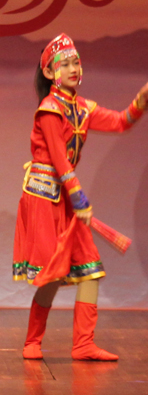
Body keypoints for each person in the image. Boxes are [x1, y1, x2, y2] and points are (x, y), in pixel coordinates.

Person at [13, 33, 148, 361]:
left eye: (76, 62)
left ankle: (83, 343)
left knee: (90, 270)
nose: (73, 67)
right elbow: (59, 160)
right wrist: (81, 202)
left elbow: (119, 122)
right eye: (66, 63)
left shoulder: (82, 108)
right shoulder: (49, 109)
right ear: (50, 73)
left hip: (67, 197)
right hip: (45, 197)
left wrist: (140, 101)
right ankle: (33, 341)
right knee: (54, 273)